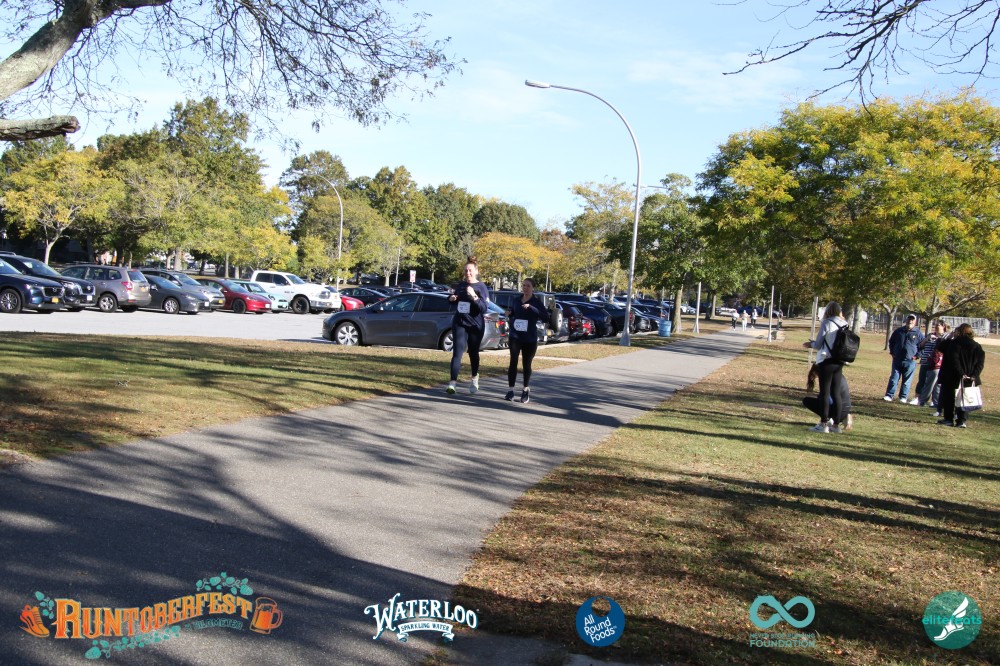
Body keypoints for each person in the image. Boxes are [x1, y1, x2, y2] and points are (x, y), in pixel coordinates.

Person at [802, 301, 850, 433]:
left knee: (825, 392)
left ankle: (823, 424)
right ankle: (836, 425)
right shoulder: (844, 323)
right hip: (838, 361)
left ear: (827, 311)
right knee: (836, 393)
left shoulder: (827, 323)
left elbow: (818, 344)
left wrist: (811, 344)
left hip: (826, 360)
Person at [446, 256, 491, 395]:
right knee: (457, 353)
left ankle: (474, 378)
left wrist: (474, 296)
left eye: (470, 270)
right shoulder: (461, 285)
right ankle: (452, 383)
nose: (468, 273)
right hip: (460, 322)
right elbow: (454, 300)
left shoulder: (481, 287)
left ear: (476, 271)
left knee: (473, 352)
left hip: (475, 325)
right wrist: (452, 299)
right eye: (466, 270)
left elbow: (484, 308)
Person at [504, 278, 547, 403]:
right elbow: (514, 312)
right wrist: (509, 313)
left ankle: (525, 389)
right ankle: (510, 390)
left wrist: (531, 308)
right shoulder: (517, 300)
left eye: (528, 286)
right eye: (524, 285)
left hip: (529, 338)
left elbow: (545, 317)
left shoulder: (536, 302)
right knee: (513, 362)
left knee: (526, 364)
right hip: (515, 336)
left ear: (533, 288)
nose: (525, 288)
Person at [935, 323, 986, 428]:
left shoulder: (953, 344)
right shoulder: (977, 346)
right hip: (969, 377)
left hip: (952, 375)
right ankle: (962, 420)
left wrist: (961, 373)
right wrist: (974, 375)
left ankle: (949, 419)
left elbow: (953, 359)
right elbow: (980, 363)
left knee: (949, 398)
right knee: (965, 398)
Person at [883, 314, 924, 403]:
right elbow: (891, 342)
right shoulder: (899, 331)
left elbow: (922, 346)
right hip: (897, 359)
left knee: (906, 381)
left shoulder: (918, 334)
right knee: (894, 379)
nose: (910, 321)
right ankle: (889, 395)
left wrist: (917, 356)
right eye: (909, 319)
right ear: (906, 320)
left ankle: (903, 397)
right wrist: (892, 352)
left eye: (912, 320)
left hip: (910, 361)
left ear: (915, 322)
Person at [804, 363, 853, 431]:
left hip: (837, 411)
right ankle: (841, 419)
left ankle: (827, 421)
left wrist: (820, 397)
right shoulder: (838, 375)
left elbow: (827, 398)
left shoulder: (826, 378)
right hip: (846, 408)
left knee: (807, 401)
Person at [914, 320, 948, 407]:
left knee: (936, 383)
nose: (936, 327)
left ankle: (934, 401)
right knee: (922, 381)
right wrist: (927, 339)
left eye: (938, 325)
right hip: (925, 361)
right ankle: (919, 399)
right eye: (935, 325)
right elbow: (920, 346)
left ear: (943, 327)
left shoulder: (946, 336)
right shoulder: (930, 335)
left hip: (937, 364)